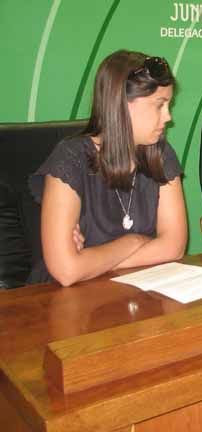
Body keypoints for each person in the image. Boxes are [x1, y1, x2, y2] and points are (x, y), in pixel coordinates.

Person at [29, 50, 187, 286]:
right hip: (66, 302)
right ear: (122, 104)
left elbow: (174, 247)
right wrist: (134, 242)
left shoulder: (160, 154)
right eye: (159, 105)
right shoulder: (70, 159)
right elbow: (66, 271)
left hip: (135, 292)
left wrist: (90, 261)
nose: (168, 117)